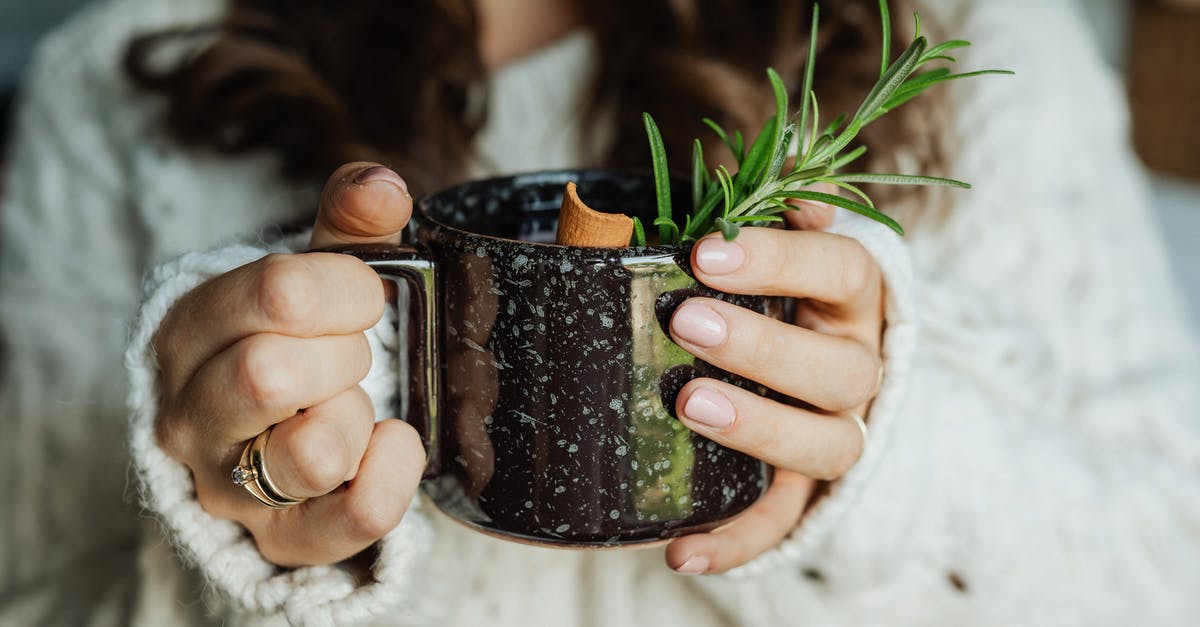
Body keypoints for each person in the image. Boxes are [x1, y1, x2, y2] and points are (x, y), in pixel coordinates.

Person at [2, 0, 1198, 625]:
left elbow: (1173, 576)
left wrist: (893, 464)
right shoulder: (116, 80)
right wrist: (236, 548)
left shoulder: (981, 36)